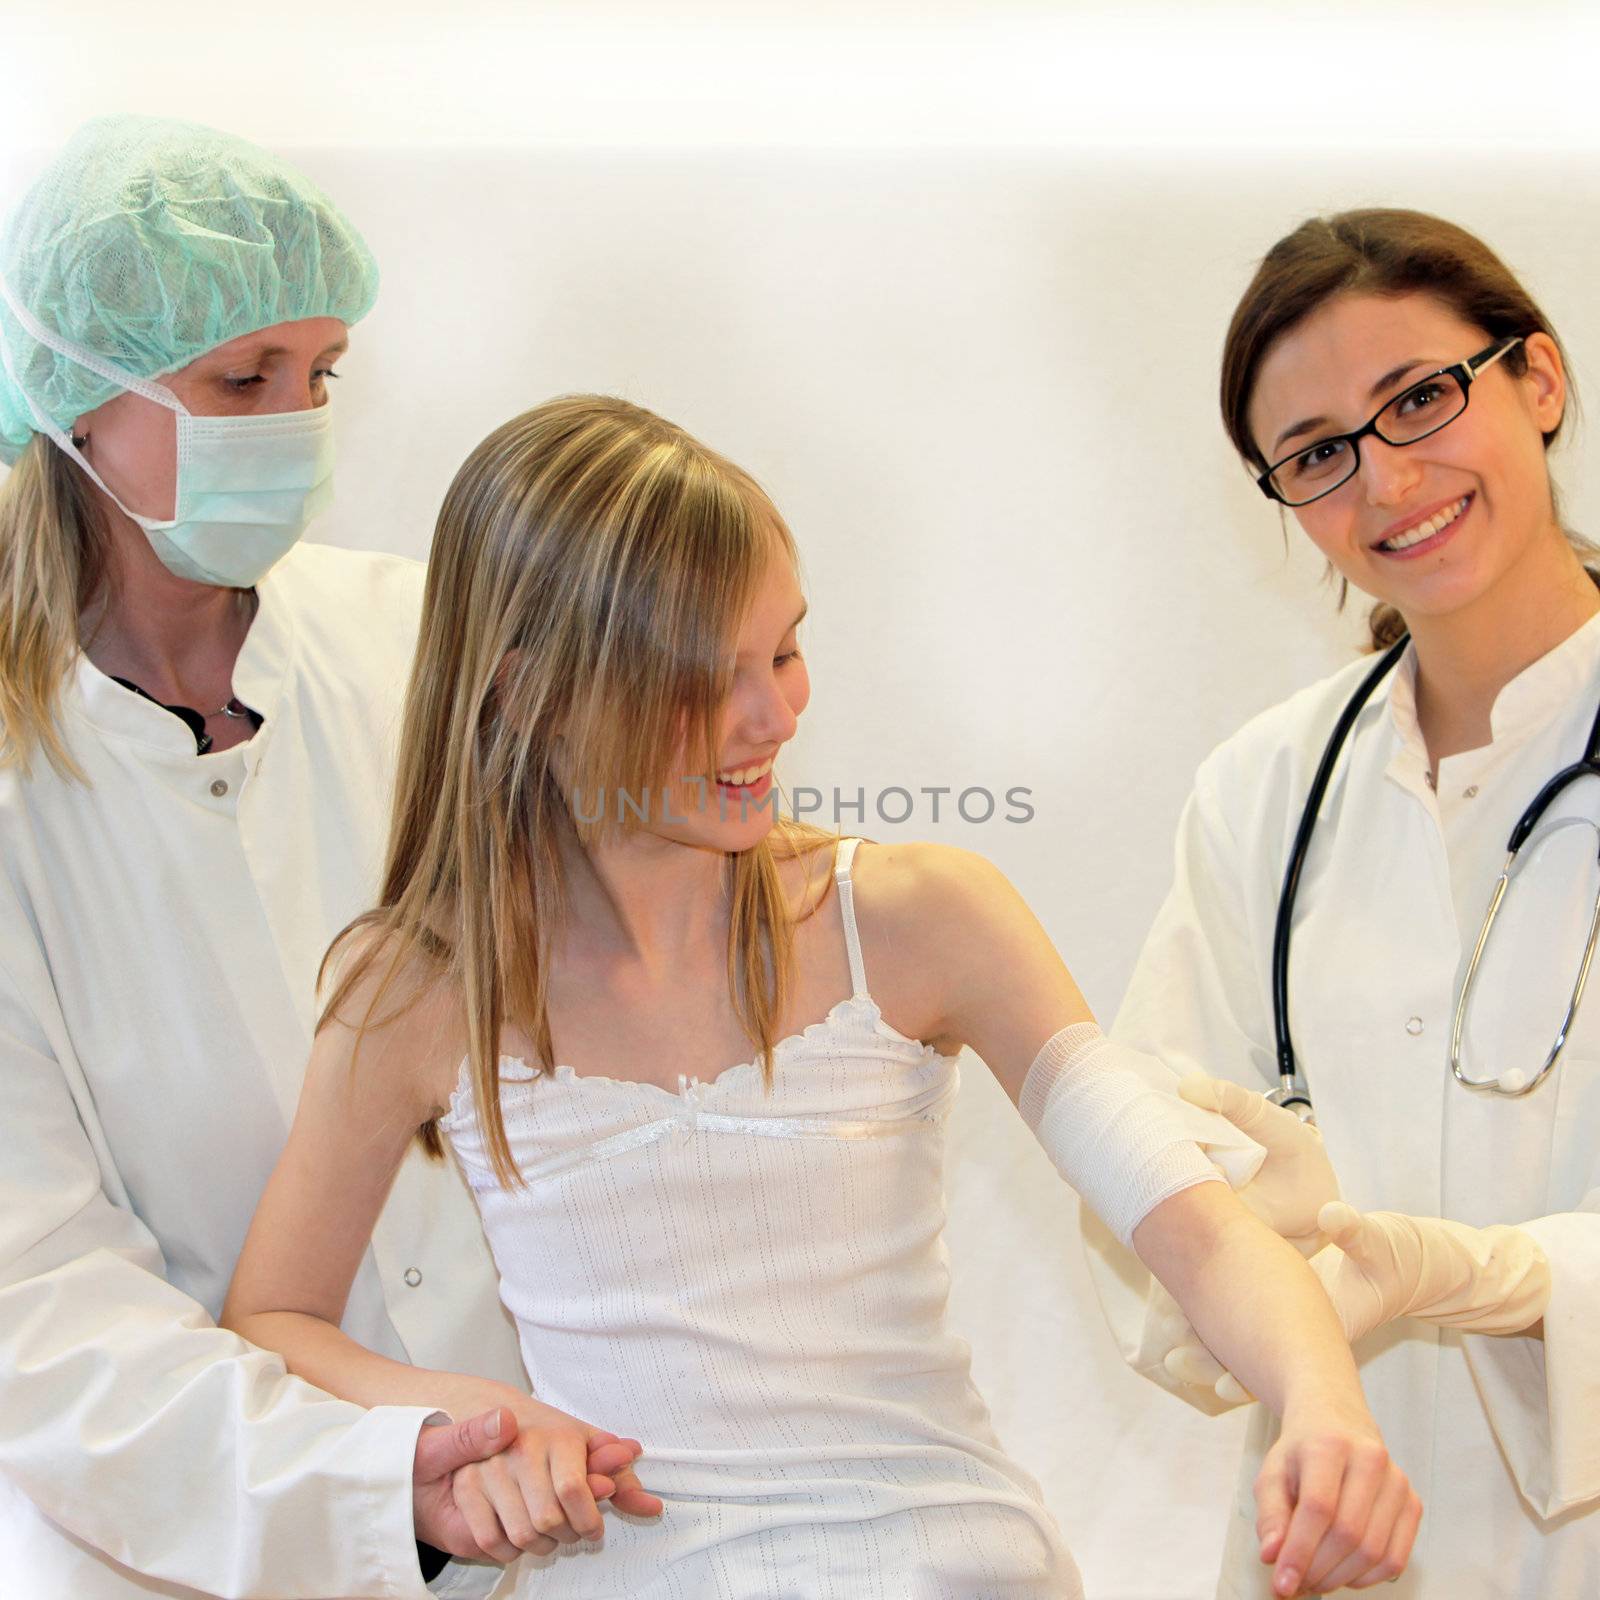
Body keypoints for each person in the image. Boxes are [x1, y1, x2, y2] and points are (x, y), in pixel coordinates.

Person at [224, 392, 1419, 1599]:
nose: (773, 715)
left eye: (784, 649)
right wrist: (454, 1414)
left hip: (953, 1567)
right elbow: (273, 1316)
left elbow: (1193, 1220)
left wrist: (1323, 1403)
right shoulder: (418, 989)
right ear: (532, 691)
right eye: (704, 678)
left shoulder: (912, 917)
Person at [0, 114, 648, 1599]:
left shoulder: (418, 641)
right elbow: (34, 1306)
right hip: (184, 1536)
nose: (295, 422)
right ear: (74, 398)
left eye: (322, 376)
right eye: (242, 379)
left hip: (562, 1498)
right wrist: (372, 1479)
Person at [1083, 208, 1600, 1598]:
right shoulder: (1267, 790)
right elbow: (1145, 1184)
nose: (1385, 481)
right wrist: (1250, 1236)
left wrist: (1489, 1274)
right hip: (1340, 1545)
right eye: (1318, 454)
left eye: (1420, 399)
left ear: (1538, 380)